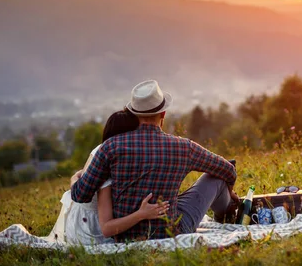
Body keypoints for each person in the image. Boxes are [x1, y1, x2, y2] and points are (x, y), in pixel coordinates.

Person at [71, 79, 239, 242]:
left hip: (124, 235)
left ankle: (227, 209)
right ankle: (227, 214)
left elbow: (79, 195)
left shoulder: (110, 147)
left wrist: (75, 178)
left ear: (135, 114)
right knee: (215, 178)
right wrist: (229, 191)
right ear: (163, 113)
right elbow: (228, 170)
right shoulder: (183, 147)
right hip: (171, 231)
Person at [47, 109, 169, 245]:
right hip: (89, 230)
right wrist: (141, 214)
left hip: (81, 218)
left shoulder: (103, 151)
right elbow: (107, 228)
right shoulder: (107, 166)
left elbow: (81, 177)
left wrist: (74, 179)